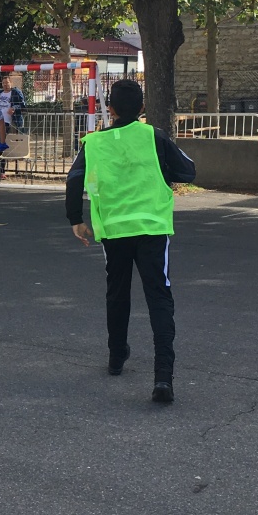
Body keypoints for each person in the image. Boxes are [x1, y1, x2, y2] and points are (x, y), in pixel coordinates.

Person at [65, 79, 196, 404]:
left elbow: (73, 179)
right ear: (141, 108)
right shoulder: (155, 136)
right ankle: (163, 376)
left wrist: (76, 220)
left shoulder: (93, 143)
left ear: (109, 107)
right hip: (152, 226)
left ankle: (116, 355)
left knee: (117, 292)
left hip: (114, 230)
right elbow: (188, 171)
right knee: (159, 298)